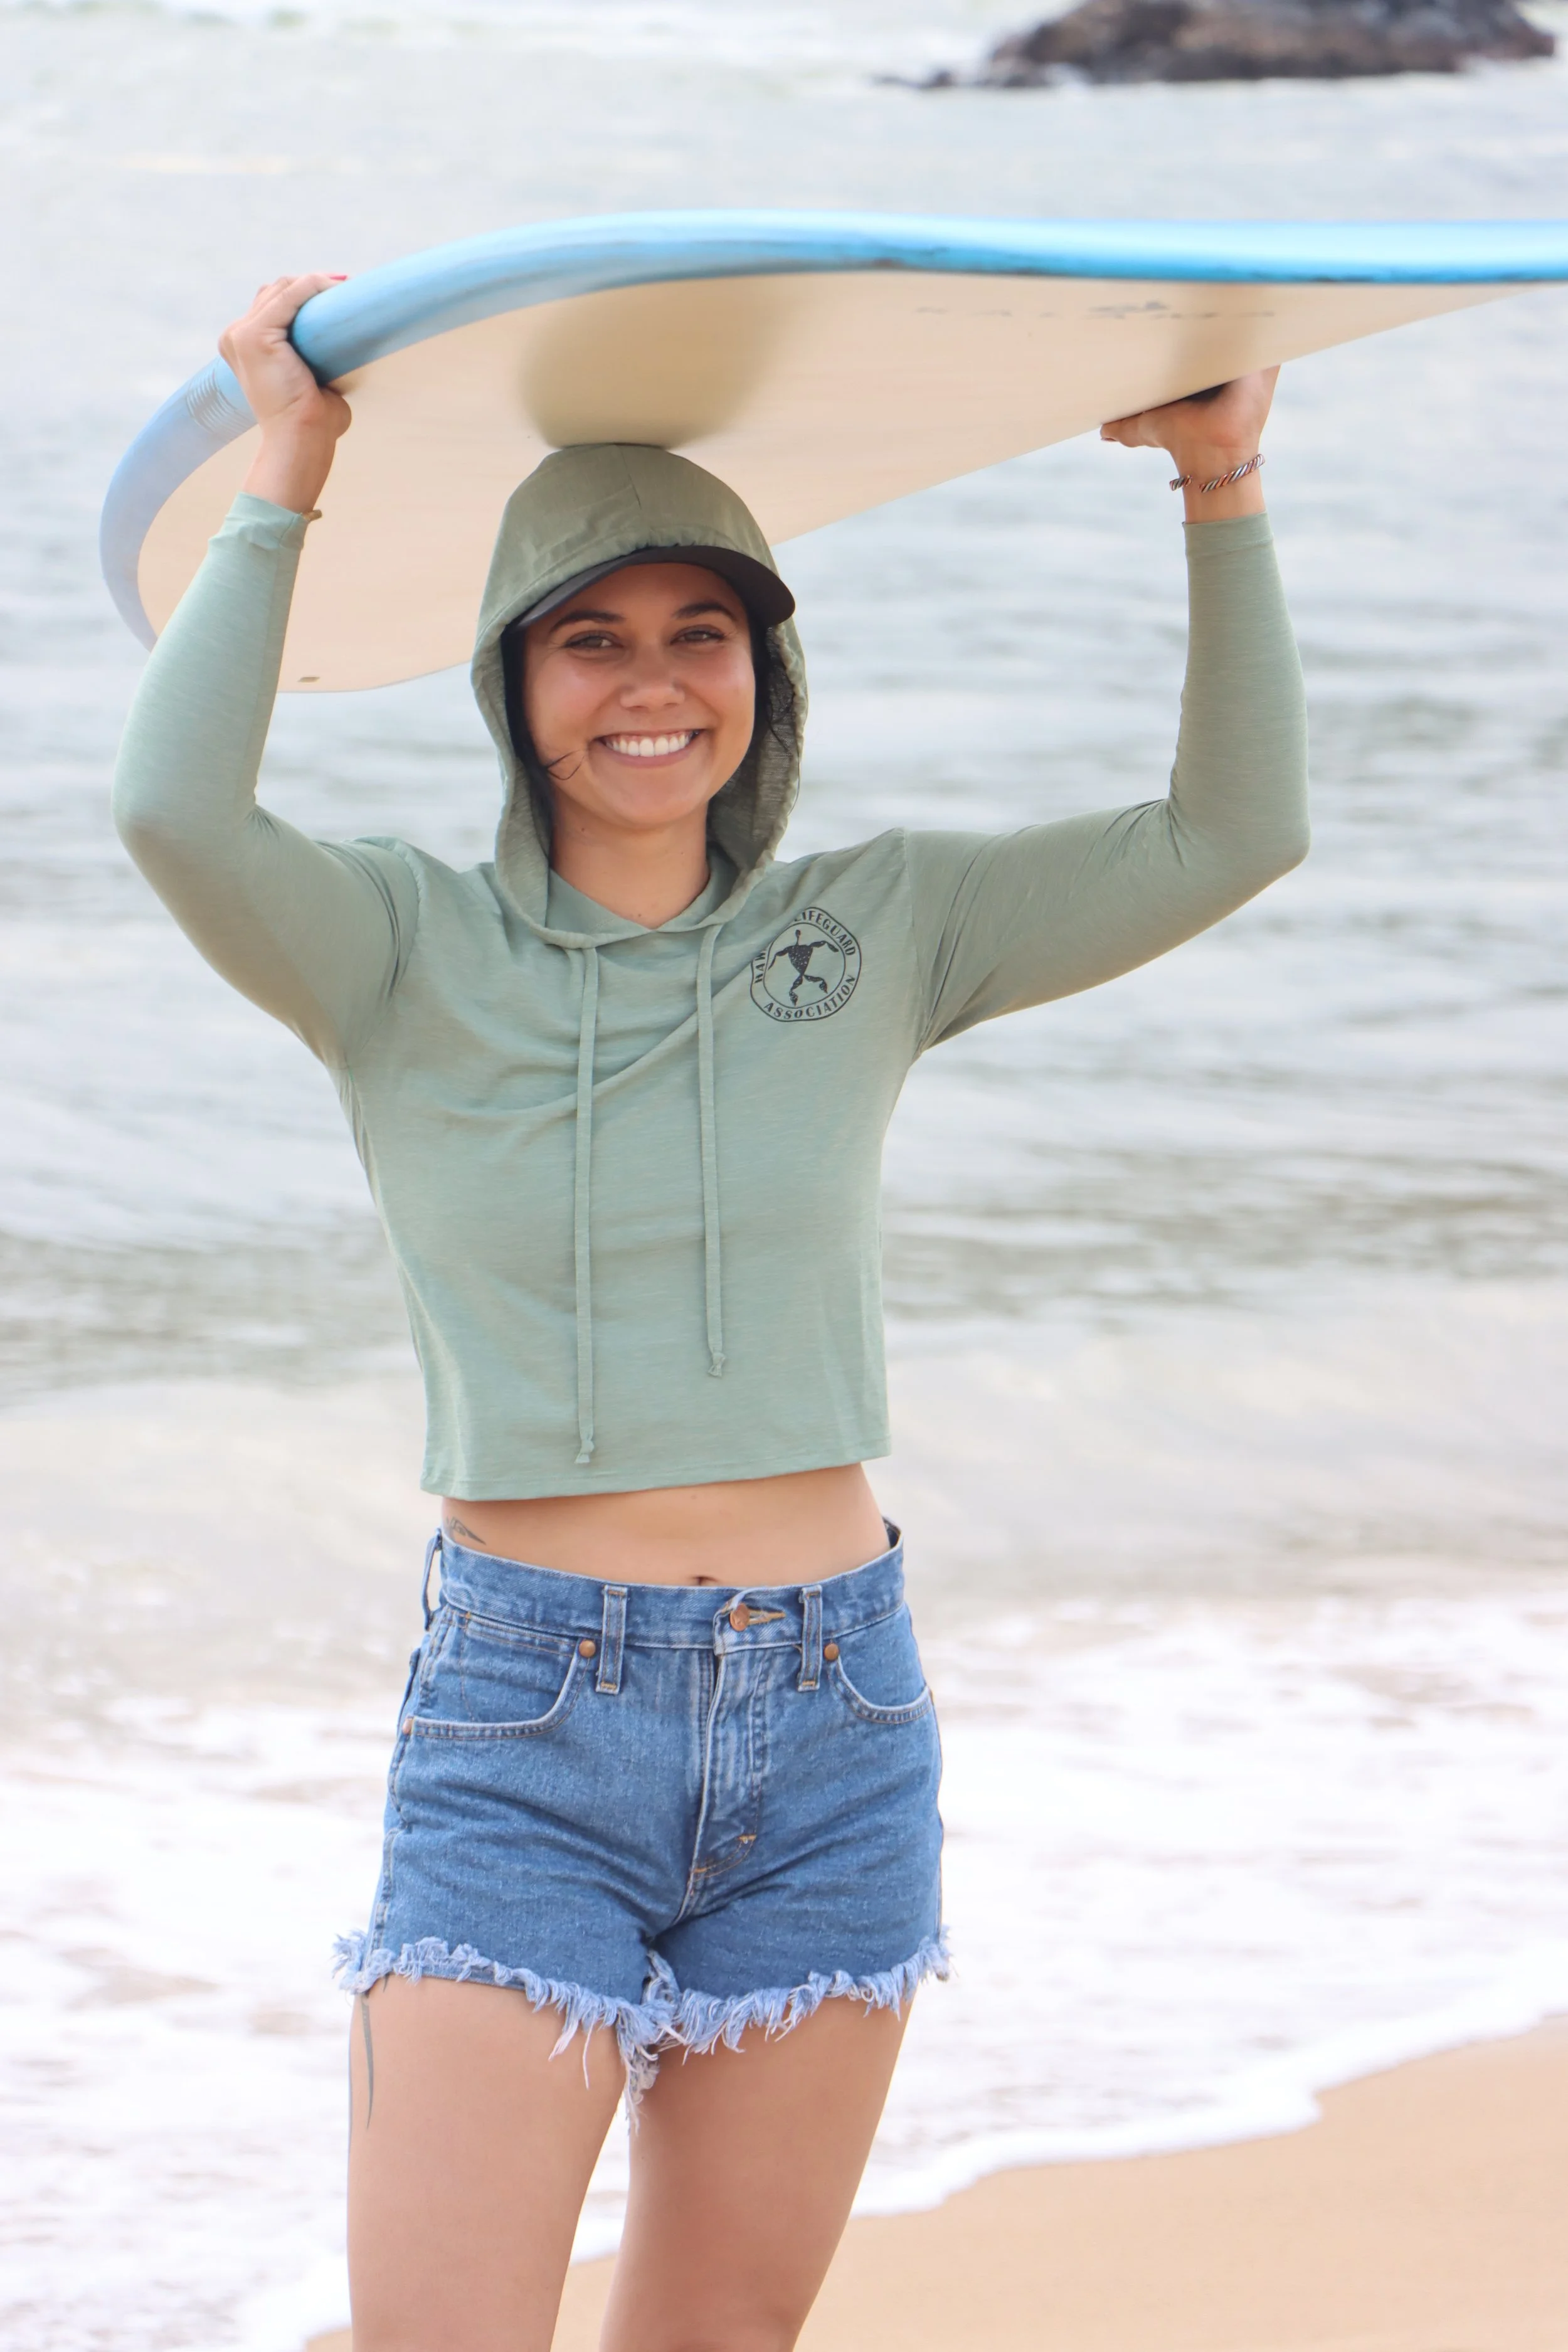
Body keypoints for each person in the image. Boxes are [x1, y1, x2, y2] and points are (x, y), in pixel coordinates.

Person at [112, 273, 1307, 2352]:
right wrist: (286, 472)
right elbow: (174, 812)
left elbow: (1234, 831)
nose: (652, 685)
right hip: (527, 1722)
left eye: (701, 632)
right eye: (589, 637)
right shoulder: (392, 948)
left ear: (766, 668)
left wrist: (1218, 489)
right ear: (512, 680)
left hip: (835, 1715)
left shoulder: (884, 922)